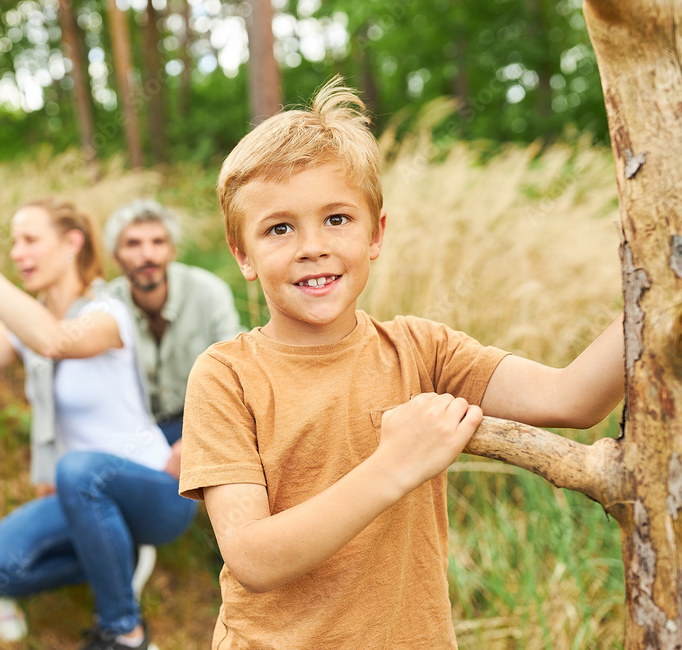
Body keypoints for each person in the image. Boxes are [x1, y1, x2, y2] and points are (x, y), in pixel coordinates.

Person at [177, 79, 625, 648]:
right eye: (279, 228)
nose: (312, 246)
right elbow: (253, 558)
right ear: (242, 253)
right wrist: (394, 465)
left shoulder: (423, 350)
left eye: (337, 219)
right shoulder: (226, 375)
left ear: (376, 234)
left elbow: (572, 398)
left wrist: (659, 296)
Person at [0, 197, 198, 650]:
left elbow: (54, 340)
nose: (17, 253)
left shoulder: (108, 312)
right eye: (14, 242)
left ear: (72, 244)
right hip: (83, 494)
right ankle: (116, 555)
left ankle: (126, 633)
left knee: (76, 469)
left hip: (155, 487)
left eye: (30, 240)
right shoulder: (25, 326)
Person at [105, 200, 243, 475]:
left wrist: (192, 438)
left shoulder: (208, 292)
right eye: (133, 244)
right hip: (135, 431)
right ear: (115, 255)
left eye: (158, 242)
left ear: (172, 250)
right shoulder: (106, 305)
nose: (148, 255)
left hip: (202, 421)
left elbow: (235, 372)